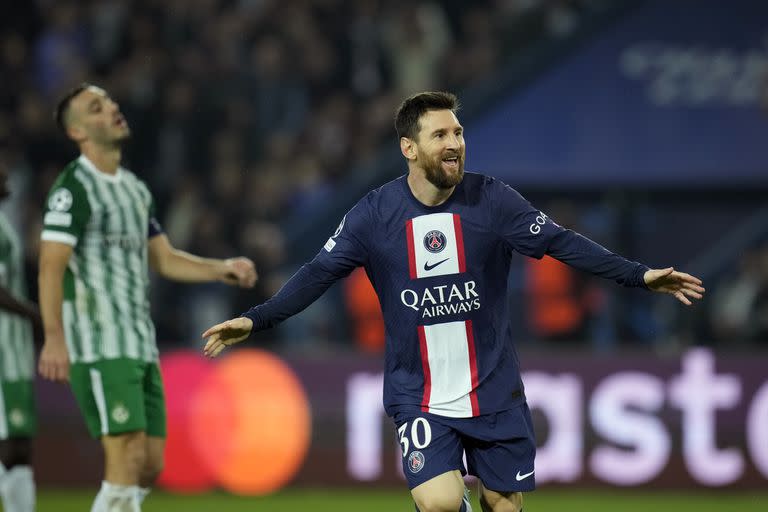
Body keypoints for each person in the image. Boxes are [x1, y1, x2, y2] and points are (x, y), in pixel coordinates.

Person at [201, 91, 705, 512]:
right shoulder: (374, 214)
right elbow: (317, 274)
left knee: (504, 506)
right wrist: (255, 318)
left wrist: (640, 277)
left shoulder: (494, 200)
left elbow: (562, 243)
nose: (455, 144)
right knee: (441, 502)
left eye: (458, 133)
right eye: (440, 135)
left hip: (494, 388)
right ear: (408, 147)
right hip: (418, 394)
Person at [38, 83, 257, 512]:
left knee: (150, 464)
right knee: (125, 457)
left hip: (139, 341)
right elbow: (50, 265)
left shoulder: (134, 190)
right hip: (99, 342)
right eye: (96, 108)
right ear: (79, 133)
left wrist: (222, 268)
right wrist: (53, 337)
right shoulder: (73, 189)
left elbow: (164, 258)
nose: (113, 109)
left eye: (111, 101)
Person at [0, 165, 41, 512]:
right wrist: (37, 315)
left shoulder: (4, 223)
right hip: (4, 350)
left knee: (20, 446)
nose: (7, 176)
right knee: (12, 444)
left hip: (16, 347)